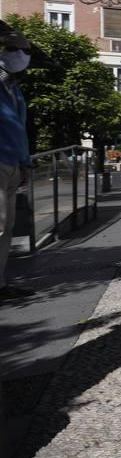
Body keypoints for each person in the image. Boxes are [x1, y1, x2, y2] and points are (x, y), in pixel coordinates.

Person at [0, 22, 33, 294]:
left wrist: (24, 162)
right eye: (14, 49)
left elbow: (18, 126)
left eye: (23, 50)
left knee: (7, 226)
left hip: (12, 162)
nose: (21, 55)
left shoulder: (13, 86)